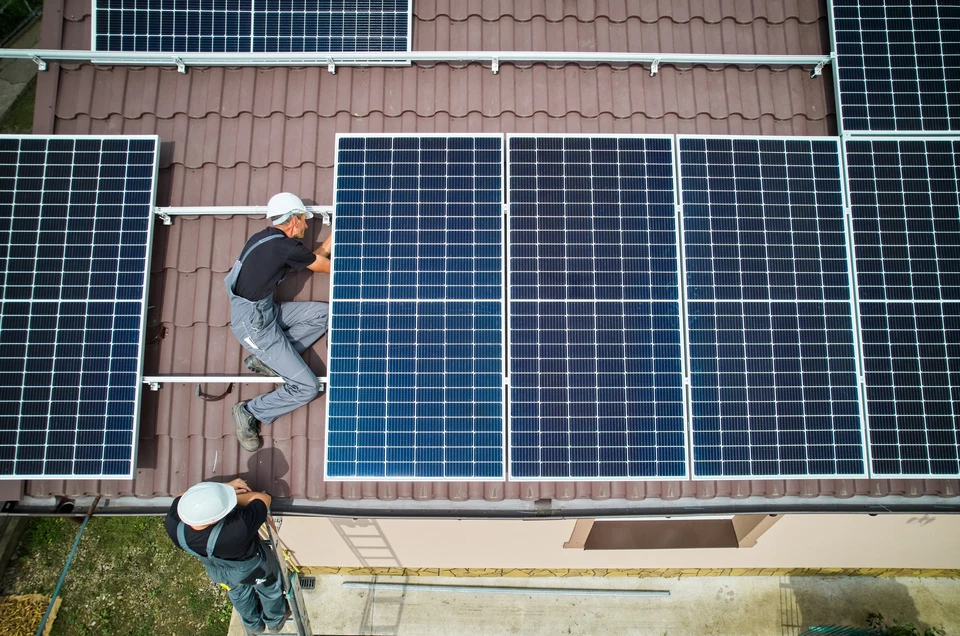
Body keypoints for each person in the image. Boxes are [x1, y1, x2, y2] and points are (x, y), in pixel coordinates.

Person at [226, 192, 333, 451]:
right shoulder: (282, 246)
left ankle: (266, 360)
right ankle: (250, 410)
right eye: (304, 220)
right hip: (255, 327)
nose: (307, 225)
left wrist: (333, 239)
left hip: (265, 312)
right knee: (307, 388)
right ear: (294, 220)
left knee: (324, 314)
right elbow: (324, 266)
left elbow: (311, 261)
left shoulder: (265, 240)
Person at [164, 479, 288, 634]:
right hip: (252, 569)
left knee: (238, 594)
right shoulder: (236, 528)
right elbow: (264, 499)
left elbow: (185, 498)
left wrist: (218, 493)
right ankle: (275, 621)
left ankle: (253, 625)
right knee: (270, 589)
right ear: (214, 519)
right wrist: (228, 495)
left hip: (216, 571)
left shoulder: (173, 524)